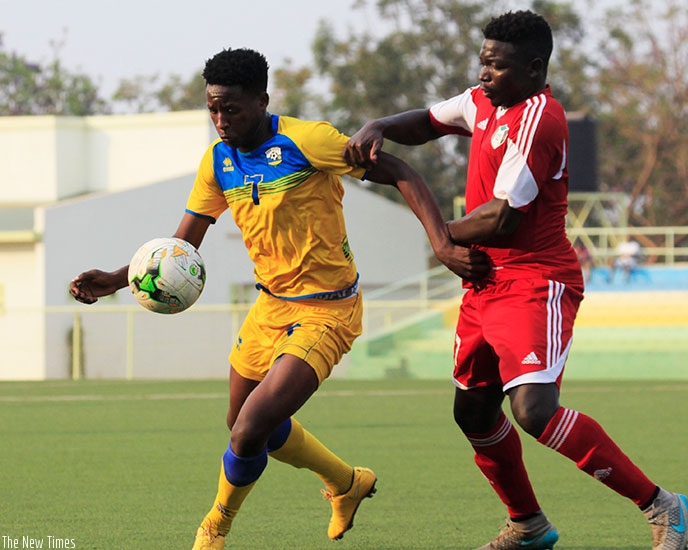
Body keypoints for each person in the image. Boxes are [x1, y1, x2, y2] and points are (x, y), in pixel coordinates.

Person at [69, 48, 489, 550]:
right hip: (271, 306)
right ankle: (347, 482)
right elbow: (183, 243)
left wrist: (440, 242)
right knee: (242, 424)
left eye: (232, 109)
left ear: (262, 100)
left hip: (328, 310)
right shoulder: (218, 160)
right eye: (213, 109)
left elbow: (401, 170)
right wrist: (118, 279)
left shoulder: (308, 140)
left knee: (248, 429)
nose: (221, 120)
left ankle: (214, 529)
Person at [345, 10, 688, 550]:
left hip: (534, 280)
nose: (485, 75)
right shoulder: (485, 101)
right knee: (473, 411)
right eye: (483, 63)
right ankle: (528, 525)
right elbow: (430, 122)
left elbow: (501, 218)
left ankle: (662, 506)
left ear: (533, 69)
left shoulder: (539, 120)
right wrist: (382, 126)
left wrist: (439, 238)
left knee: (534, 410)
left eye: (497, 67)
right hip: (484, 282)